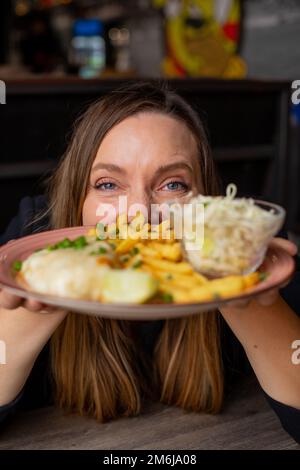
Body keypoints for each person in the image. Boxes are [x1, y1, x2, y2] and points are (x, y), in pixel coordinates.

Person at [0, 82, 299, 444]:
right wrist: (42, 291)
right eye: (108, 184)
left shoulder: (244, 246)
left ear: (207, 201)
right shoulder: (35, 240)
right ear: (78, 196)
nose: (139, 212)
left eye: (172, 184)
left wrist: (245, 288)